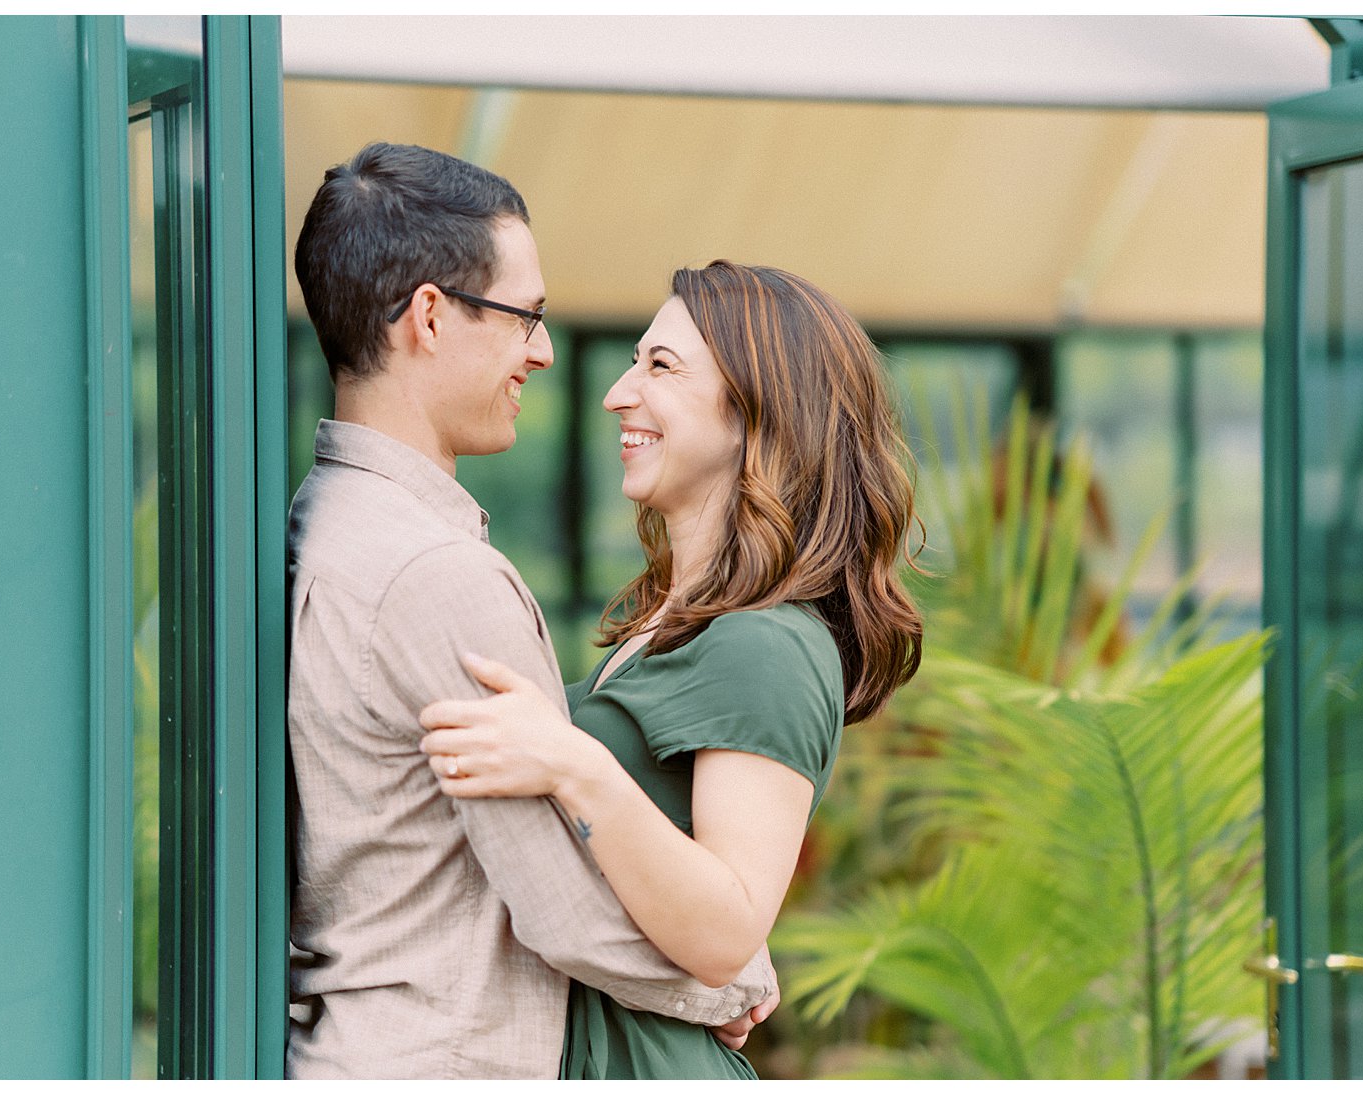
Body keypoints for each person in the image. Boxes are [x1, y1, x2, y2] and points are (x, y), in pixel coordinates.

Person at [286, 143, 776, 1080]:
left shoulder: (323, 519)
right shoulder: (440, 575)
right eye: (526, 317)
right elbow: (561, 905)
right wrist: (734, 979)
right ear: (429, 316)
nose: (545, 352)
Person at [419, 260, 925, 1079]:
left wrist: (572, 761)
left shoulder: (765, 643)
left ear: (756, 413)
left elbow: (726, 929)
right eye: (632, 361)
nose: (619, 393)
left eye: (661, 366)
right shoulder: (673, 624)